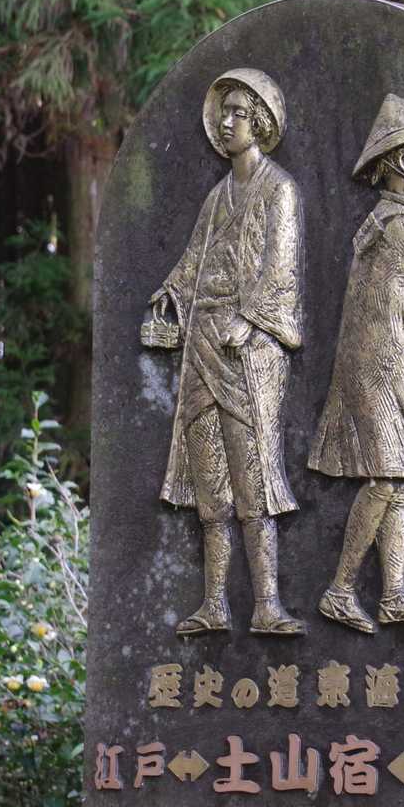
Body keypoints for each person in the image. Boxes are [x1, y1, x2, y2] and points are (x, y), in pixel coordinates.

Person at [144, 69, 305, 636]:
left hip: (250, 353)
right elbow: (194, 261)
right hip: (203, 346)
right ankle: (215, 602)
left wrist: (249, 319)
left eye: (238, 112)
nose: (227, 121)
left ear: (259, 121)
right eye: (224, 113)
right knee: (210, 483)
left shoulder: (279, 190)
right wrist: (171, 290)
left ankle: (267, 604)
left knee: (251, 477)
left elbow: (281, 269)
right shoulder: (217, 197)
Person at [308, 94, 404, 633]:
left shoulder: (375, 223)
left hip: (369, 366)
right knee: (385, 478)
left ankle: (393, 593)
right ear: (401, 160)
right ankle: (340, 590)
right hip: (393, 366)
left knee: (397, 480)